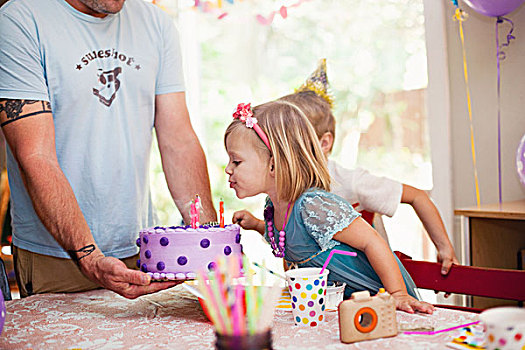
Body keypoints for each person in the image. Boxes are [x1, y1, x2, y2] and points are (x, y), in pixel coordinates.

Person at [0, 0, 216, 299]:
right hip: (57, 254)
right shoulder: (20, 19)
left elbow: (178, 139)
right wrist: (91, 258)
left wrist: (210, 240)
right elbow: (35, 156)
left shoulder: (157, 23)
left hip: (141, 249)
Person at [236, 59, 459, 275]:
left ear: (324, 143)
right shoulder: (281, 185)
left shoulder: (349, 181)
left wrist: (444, 248)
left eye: (293, 138)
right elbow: (294, 235)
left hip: (365, 290)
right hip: (318, 295)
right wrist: (257, 225)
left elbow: (418, 196)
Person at [225, 100, 434, 314]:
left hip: (378, 302)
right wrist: (258, 225)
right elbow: (292, 239)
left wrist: (397, 294)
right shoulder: (273, 207)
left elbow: (373, 241)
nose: (227, 169)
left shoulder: (313, 206)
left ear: (274, 163)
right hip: (339, 307)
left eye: (236, 161)